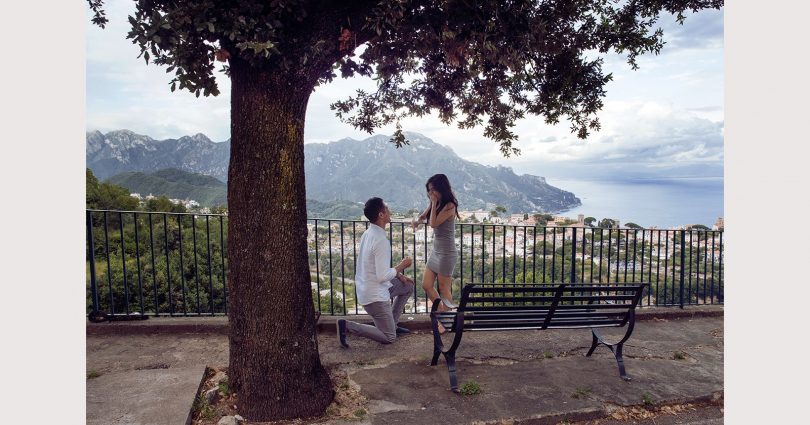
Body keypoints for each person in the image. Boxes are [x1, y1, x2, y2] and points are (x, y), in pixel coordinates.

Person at [337, 197, 415, 347]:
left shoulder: (368, 234)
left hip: (367, 288)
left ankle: (393, 323)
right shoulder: (380, 240)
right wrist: (402, 265)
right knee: (389, 337)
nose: (390, 211)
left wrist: (399, 275)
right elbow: (382, 276)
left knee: (408, 286)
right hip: (375, 297)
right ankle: (347, 325)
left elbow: (375, 266)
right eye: (387, 208)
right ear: (381, 214)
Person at [411, 174, 459, 333]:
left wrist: (433, 202)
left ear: (441, 188)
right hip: (436, 251)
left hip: (447, 253)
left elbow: (433, 223)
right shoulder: (436, 203)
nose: (431, 193)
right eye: (429, 190)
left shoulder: (449, 205)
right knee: (426, 285)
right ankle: (445, 315)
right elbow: (424, 216)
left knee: (444, 289)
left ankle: (446, 321)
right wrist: (417, 222)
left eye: (433, 190)